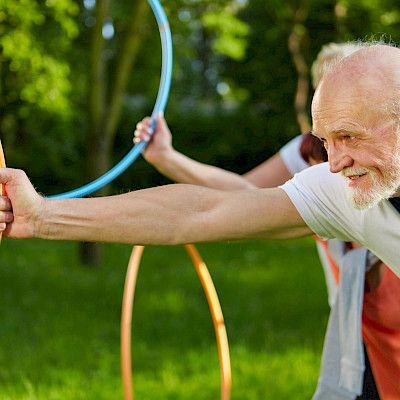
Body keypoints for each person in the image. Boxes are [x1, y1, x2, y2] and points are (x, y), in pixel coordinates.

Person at [0, 43, 399, 397]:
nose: (334, 163)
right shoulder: (345, 190)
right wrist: (42, 215)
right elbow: (201, 212)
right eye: (326, 142)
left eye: (349, 136)